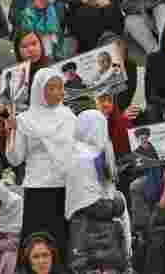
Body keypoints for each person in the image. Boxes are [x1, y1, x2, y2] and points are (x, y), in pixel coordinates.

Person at [6, 69, 76, 256]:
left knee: (62, 241)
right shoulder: (24, 119)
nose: (58, 92)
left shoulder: (69, 116)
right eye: (52, 88)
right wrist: (11, 133)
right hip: (37, 188)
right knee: (37, 242)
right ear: (39, 91)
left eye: (61, 87)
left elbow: (75, 150)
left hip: (64, 186)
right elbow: (15, 158)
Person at [66, 110, 129, 274]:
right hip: (88, 234)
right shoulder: (80, 157)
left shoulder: (99, 152)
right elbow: (89, 203)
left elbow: (107, 189)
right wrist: (118, 204)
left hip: (105, 233)